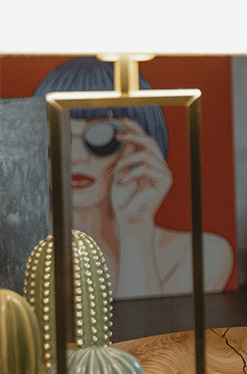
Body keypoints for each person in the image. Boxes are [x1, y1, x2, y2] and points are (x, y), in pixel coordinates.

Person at [35, 57, 234, 298]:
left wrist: (135, 227)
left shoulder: (201, 254)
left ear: (143, 146)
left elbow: (146, 333)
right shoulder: (20, 252)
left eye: (102, 137)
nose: (75, 158)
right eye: (56, 135)